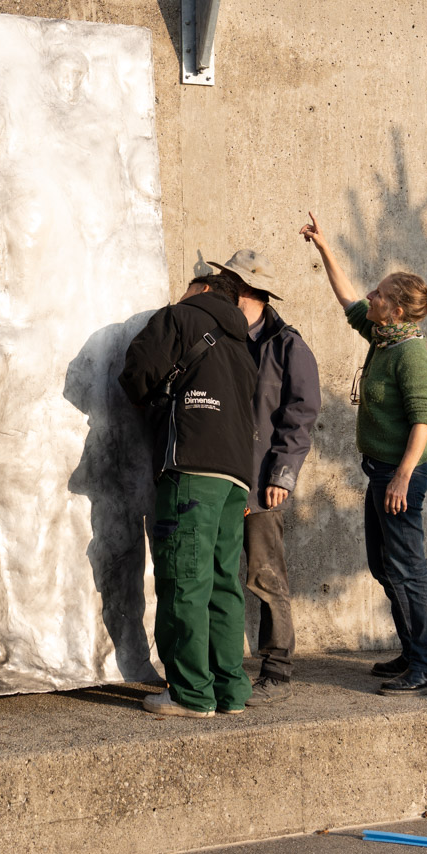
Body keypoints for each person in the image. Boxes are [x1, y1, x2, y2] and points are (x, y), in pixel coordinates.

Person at [300, 212, 427, 693]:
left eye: (379, 294)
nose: (371, 297)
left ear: (397, 310)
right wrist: (324, 248)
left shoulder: (410, 354)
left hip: (399, 477)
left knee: (407, 568)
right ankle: (413, 654)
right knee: (385, 566)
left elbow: (424, 418)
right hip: (379, 472)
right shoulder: (382, 337)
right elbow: (346, 298)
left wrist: (402, 476)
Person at [119, 271, 257, 717]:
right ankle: (230, 690)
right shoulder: (243, 344)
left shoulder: (180, 317)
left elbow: (137, 372)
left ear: (200, 290)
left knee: (183, 579)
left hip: (191, 467)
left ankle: (189, 694)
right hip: (236, 478)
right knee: (222, 583)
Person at [208, 249, 322, 705]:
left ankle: (277, 669)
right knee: (218, 575)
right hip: (220, 477)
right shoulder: (220, 336)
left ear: (249, 293)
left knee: (264, 574)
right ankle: (222, 668)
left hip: (261, 483)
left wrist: (283, 474)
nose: (222, 292)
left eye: (229, 286)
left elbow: (301, 415)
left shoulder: (287, 344)